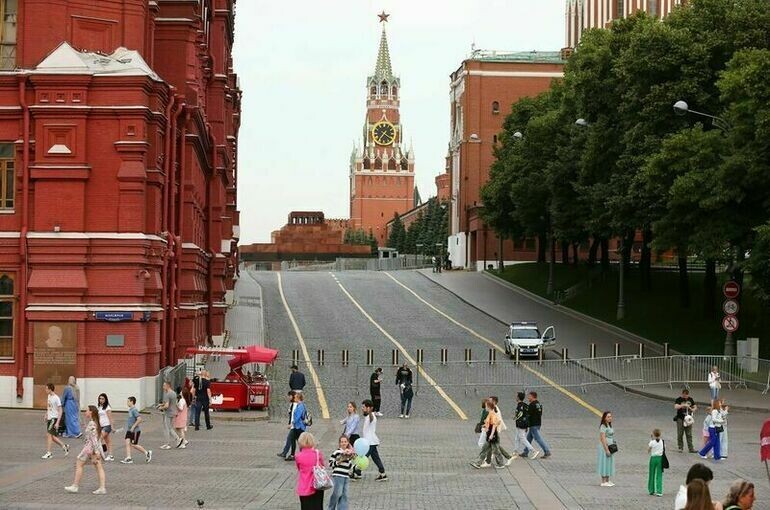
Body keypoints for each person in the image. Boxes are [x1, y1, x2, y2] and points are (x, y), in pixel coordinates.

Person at [64, 406, 106, 494]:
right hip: (93, 448)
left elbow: (94, 438)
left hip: (90, 448)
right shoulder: (94, 422)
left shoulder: (92, 423)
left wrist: (96, 452)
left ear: (91, 412)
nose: (85, 412)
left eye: (87, 410)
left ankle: (75, 486)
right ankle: (102, 488)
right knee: (98, 467)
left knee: (79, 463)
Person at [470, 398, 513, 469]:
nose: (485, 408)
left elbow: (494, 425)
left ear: (489, 407)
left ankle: (501, 463)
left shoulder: (492, 414)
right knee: (485, 449)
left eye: (486, 406)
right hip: (489, 434)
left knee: (496, 450)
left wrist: (491, 435)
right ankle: (478, 463)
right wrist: (484, 426)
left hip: (492, 435)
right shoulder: (490, 413)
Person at [295, 431, 324, 509]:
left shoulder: (298, 456)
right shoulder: (317, 454)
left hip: (304, 486)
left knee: (305, 506)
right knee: (318, 506)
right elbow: (322, 465)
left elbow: (299, 468)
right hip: (317, 484)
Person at [361, 399, 387, 481]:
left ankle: (357, 472)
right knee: (376, 458)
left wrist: (370, 412)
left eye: (364, 407)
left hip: (370, 442)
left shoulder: (371, 416)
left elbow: (371, 419)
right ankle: (383, 473)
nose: (362, 409)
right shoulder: (367, 416)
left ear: (368, 408)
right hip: (370, 442)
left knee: (363, 457)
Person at [121, 396, 152, 464]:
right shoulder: (130, 410)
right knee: (127, 443)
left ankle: (147, 453)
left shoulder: (134, 410)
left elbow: (139, 419)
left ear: (132, 402)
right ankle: (129, 458)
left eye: (128, 401)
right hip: (129, 430)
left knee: (133, 445)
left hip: (135, 431)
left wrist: (133, 427)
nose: (127, 403)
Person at [42, 383, 70, 459]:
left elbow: (60, 410)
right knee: (52, 436)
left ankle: (49, 452)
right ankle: (64, 446)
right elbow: (49, 407)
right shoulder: (49, 396)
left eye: (46, 389)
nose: (45, 390)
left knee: (49, 435)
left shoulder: (56, 398)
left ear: (50, 389)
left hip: (54, 418)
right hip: (49, 418)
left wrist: (57, 422)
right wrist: (46, 414)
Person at [328, 435, 354, 510]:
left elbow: (349, 466)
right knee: (337, 493)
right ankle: (331, 507)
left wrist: (352, 459)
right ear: (339, 443)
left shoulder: (349, 453)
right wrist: (340, 459)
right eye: (342, 442)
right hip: (338, 475)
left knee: (344, 495)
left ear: (348, 443)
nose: (343, 443)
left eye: (345, 442)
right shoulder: (337, 452)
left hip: (346, 476)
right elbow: (330, 464)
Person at [522, 391, 551, 458]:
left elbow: (528, 415)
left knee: (538, 438)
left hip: (533, 424)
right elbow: (540, 414)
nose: (528, 398)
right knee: (528, 438)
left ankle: (547, 451)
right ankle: (525, 452)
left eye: (529, 396)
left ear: (532, 396)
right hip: (538, 423)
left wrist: (525, 424)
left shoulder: (532, 405)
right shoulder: (538, 404)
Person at [158, 381, 183, 450]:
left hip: (168, 413)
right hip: (173, 412)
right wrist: (161, 404)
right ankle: (177, 440)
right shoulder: (173, 393)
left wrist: (161, 408)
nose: (163, 387)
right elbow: (172, 403)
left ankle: (168, 443)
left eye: (164, 386)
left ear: (168, 386)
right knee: (170, 427)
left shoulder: (167, 394)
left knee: (167, 428)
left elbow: (167, 405)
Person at [514, 391, 538, 459]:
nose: (515, 397)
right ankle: (515, 452)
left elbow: (520, 414)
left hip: (521, 424)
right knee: (517, 438)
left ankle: (534, 451)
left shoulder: (520, 405)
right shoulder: (525, 405)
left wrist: (515, 417)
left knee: (522, 438)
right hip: (523, 424)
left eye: (516, 396)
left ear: (518, 397)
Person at [674, 388, 698, 453]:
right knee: (680, 433)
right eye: (684, 395)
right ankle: (680, 447)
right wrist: (683, 405)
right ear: (682, 394)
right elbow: (676, 406)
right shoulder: (678, 399)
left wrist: (693, 409)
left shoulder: (690, 399)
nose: (685, 396)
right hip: (680, 418)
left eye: (687, 395)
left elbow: (695, 406)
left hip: (688, 418)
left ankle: (691, 448)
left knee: (689, 434)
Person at [277, 391, 297, 459]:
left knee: (291, 439)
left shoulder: (294, 404)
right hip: (294, 426)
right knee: (292, 440)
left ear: (292, 396)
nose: (288, 397)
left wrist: (291, 424)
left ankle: (287, 453)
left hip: (295, 426)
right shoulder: (292, 404)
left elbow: (293, 415)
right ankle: (287, 453)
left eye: (289, 396)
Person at [598, 411, 616, 487]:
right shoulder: (603, 426)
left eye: (610, 416)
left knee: (609, 463)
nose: (610, 418)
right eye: (608, 417)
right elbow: (602, 439)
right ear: (604, 418)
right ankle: (603, 481)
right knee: (604, 462)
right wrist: (606, 449)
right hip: (605, 446)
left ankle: (608, 480)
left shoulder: (609, 425)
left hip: (610, 445)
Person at [288, 391, 308, 460]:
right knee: (293, 439)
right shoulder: (300, 405)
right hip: (297, 426)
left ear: (298, 398)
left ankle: (302, 454)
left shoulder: (300, 406)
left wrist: (292, 423)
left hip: (299, 427)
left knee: (300, 441)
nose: (294, 398)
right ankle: (293, 454)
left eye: (295, 397)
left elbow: (298, 417)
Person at [96, 393, 114, 461]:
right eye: (100, 399)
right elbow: (98, 417)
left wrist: (112, 427)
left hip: (107, 426)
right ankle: (110, 455)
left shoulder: (107, 408)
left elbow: (110, 418)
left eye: (102, 399)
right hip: (101, 426)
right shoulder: (99, 407)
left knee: (99, 439)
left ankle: (99, 454)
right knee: (107, 441)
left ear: (105, 399)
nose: (101, 400)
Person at [647, 428, 664, 497]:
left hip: (653, 458)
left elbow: (648, 450)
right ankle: (659, 491)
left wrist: (651, 440)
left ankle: (651, 490)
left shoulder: (652, 442)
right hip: (660, 458)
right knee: (659, 475)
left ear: (653, 434)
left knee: (652, 474)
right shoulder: (662, 441)